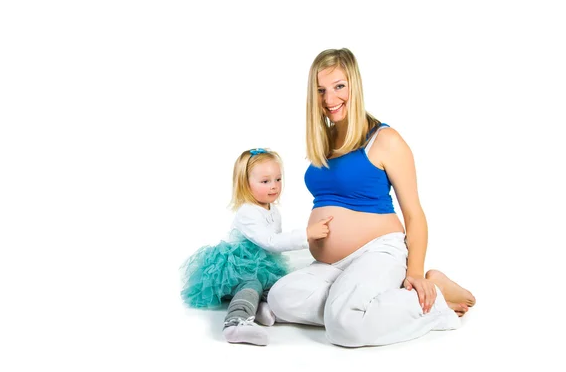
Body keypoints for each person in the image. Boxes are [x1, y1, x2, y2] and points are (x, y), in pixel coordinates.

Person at [267, 48, 476, 347]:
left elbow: (414, 213)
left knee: (344, 325)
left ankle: (432, 300)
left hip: (378, 253)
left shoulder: (385, 141)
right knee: (280, 298)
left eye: (339, 87)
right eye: (321, 91)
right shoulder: (324, 141)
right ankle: (368, 303)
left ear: (355, 85)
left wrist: (415, 272)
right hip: (332, 265)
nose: (329, 100)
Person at [180, 148, 333, 346]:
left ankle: (261, 308)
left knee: (275, 285)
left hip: (263, 262)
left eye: (278, 179)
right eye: (265, 181)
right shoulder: (247, 213)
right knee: (250, 283)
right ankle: (236, 323)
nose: (274, 186)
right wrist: (306, 234)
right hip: (239, 265)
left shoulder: (273, 210)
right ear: (245, 184)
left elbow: (275, 241)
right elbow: (270, 241)